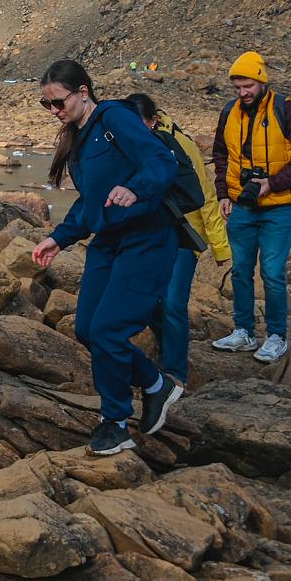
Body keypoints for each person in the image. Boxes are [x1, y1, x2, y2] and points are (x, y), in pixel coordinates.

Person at [31, 60, 182, 455]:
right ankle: (155, 384)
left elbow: (161, 161)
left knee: (108, 330)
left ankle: (115, 422)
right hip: (109, 241)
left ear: (83, 93)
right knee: (86, 329)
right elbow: (90, 203)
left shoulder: (115, 117)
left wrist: (136, 188)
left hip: (146, 237)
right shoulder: (77, 138)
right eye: (47, 105)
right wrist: (58, 238)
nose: (54, 111)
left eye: (58, 102)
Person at [209, 52, 291, 363]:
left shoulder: (287, 109)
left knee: (271, 272)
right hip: (241, 204)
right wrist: (223, 194)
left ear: (262, 81)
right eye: (237, 87)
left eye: (248, 86)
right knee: (241, 270)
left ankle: (276, 336)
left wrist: (273, 183)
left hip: (278, 206)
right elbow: (221, 155)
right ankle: (243, 331)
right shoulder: (229, 112)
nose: (243, 93)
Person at [123, 93, 232, 387]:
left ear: (152, 121)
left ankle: (175, 374)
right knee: (146, 299)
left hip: (184, 234)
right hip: (147, 232)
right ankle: (165, 344)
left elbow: (205, 194)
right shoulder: (125, 145)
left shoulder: (180, 145)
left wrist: (220, 246)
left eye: (137, 124)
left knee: (172, 302)